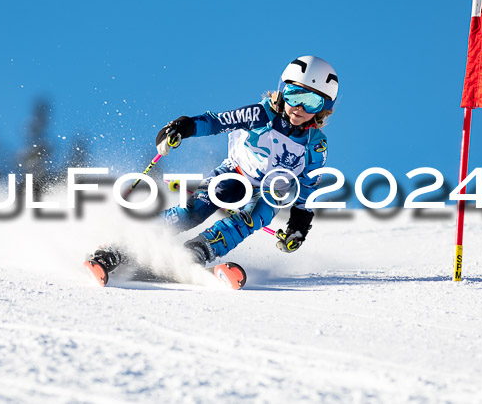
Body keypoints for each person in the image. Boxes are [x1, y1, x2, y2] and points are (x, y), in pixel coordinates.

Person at [89, 55, 339, 277]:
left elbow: (307, 186)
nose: (299, 108)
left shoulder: (315, 146)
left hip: (270, 191)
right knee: (196, 209)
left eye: (312, 102)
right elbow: (217, 122)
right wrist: (181, 128)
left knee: (255, 216)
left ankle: (197, 252)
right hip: (235, 173)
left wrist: (298, 225)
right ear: (283, 92)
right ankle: (125, 246)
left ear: (324, 109)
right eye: (295, 95)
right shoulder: (261, 115)